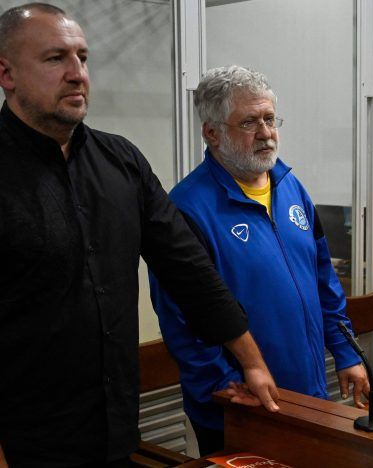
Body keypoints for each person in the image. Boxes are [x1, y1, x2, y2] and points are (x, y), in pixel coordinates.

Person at [0, 4, 279, 467]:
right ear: (6, 73)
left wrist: (250, 360)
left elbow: (187, 268)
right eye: (55, 58)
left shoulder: (121, 161)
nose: (77, 74)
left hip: (114, 432)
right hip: (26, 442)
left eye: (82, 58)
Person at [149, 65, 372, 456]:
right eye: (249, 122)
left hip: (308, 395)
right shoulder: (186, 209)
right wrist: (225, 388)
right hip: (242, 406)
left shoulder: (290, 186)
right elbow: (180, 319)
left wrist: (346, 351)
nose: (266, 133)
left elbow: (323, 278)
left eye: (270, 119)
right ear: (212, 133)